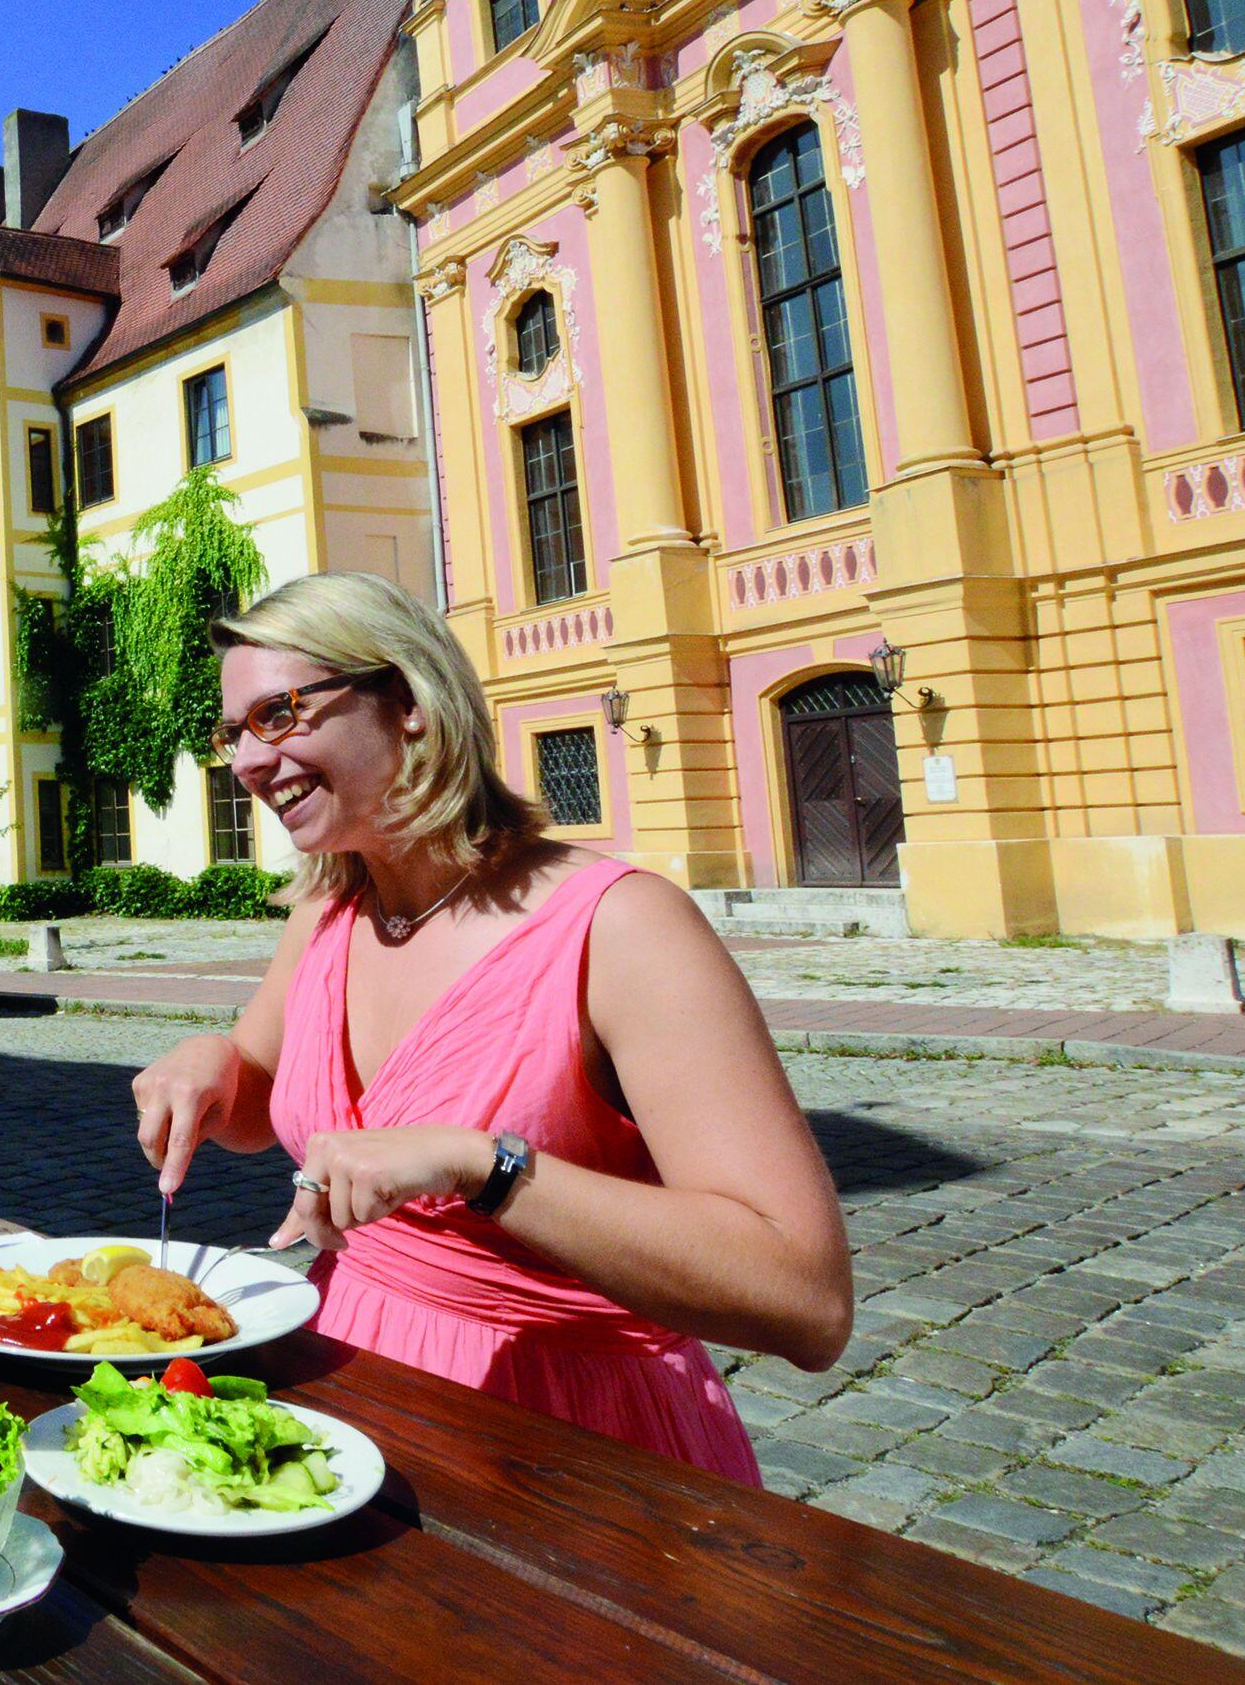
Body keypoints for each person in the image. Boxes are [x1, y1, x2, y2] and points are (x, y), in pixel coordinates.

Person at [132, 573, 850, 1482]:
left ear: (410, 705)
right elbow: (257, 1097)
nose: (242, 760)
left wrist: (486, 1165)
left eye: (277, 713)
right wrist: (212, 1062)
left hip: (568, 1453)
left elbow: (806, 1299)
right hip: (343, 1413)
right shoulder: (328, 914)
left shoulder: (622, 927)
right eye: (232, 732)